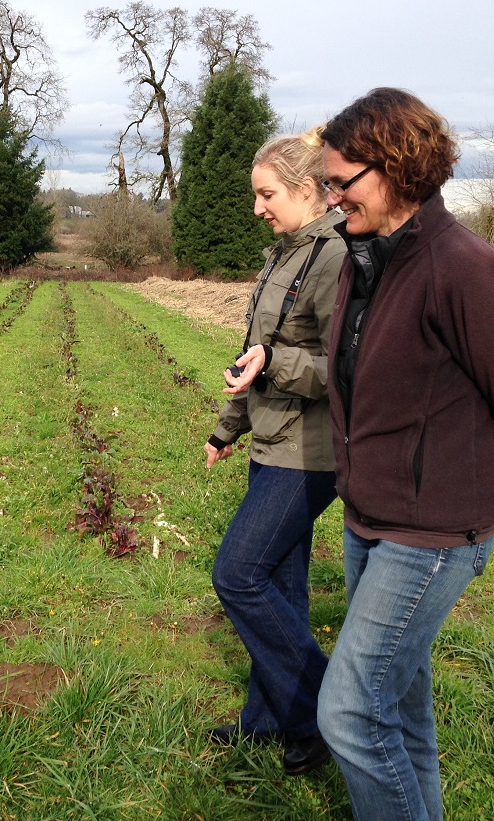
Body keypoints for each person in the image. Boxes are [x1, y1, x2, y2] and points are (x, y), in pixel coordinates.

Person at [313, 88, 494, 820]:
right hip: (370, 518)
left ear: (394, 169)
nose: (330, 197)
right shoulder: (368, 260)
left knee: (350, 712)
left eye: (341, 181)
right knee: (400, 711)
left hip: (432, 531)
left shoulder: (465, 268)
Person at [205, 129, 347, 776]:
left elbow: (347, 367)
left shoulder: (334, 259)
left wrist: (275, 363)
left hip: (309, 454)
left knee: (237, 574)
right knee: (282, 591)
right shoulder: (284, 255)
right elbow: (252, 353)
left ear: (306, 189)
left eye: (267, 194)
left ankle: (327, 710)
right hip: (271, 442)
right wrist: (227, 428)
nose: (258, 206)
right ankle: (268, 724)